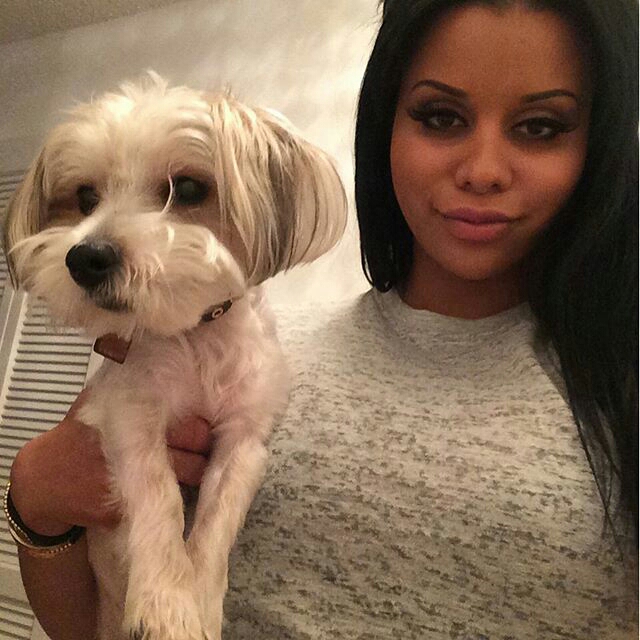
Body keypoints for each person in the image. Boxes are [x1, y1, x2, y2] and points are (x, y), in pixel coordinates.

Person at [5, 0, 637, 638]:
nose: (483, 171)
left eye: (540, 127)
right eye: (440, 117)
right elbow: (84, 627)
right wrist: (36, 501)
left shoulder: (618, 382)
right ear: (384, 127)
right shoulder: (267, 348)